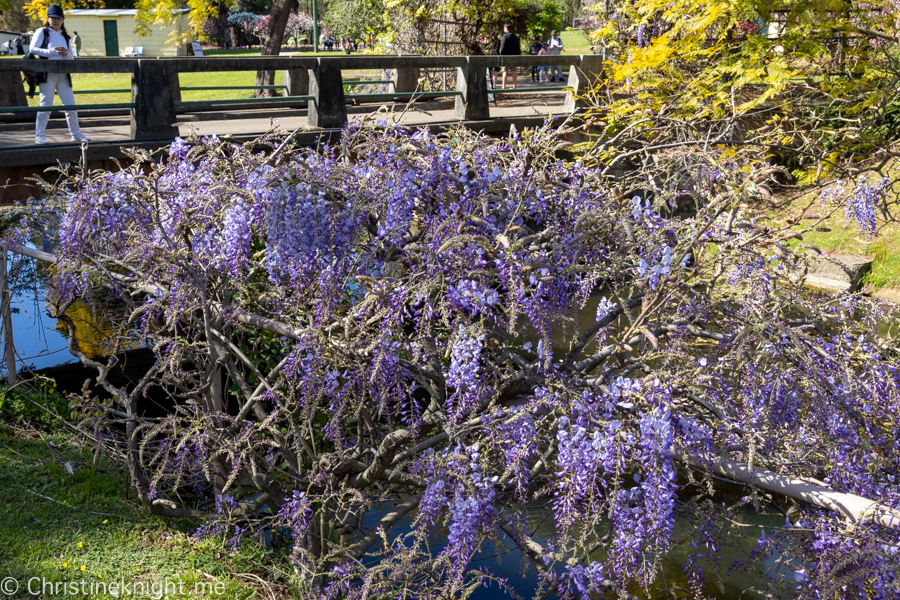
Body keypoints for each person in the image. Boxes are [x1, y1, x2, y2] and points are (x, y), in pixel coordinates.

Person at [29, 5, 90, 145]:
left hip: (63, 75)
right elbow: (33, 49)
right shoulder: (42, 32)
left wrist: (65, 53)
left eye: (58, 18)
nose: (55, 21)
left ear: (62, 20)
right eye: (52, 18)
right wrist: (51, 52)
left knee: (71, 106)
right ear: (47, 19)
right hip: (47, 75)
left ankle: (76, 134)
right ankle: (39, 136)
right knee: (46, 106)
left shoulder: (65, 36)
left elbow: (71, 57)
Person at [495, 22, 520, 89]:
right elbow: (518, 47)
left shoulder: (505, 36)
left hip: (506, 56)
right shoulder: (515, 37)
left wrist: (501, 54)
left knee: (505, 71)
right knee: (514, 70)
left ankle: (503, 86)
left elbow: (502, 47)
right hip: (514, 56)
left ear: (506, 28)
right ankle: (514, 85)